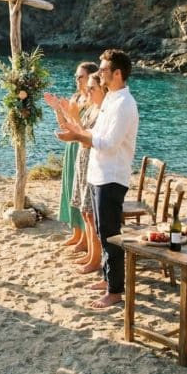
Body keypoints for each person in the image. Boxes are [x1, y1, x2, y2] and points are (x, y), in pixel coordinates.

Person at [56, 49, 139, 308]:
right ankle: (107, 278)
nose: (99, 73)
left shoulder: (124, 104)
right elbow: (96, 133)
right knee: (103, 232)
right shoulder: (111, 100)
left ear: (117, 73)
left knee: (110, 234)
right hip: (98, 174)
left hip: (112, 177)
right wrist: (78, 130)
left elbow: (109, 143)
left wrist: (78, 137)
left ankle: (115, 290)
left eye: (103, 70)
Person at [45, 63, 93, 251]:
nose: (77, 79)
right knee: (70, 188)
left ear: (90, 78)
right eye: (76, 76)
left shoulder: (92, 100)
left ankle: (85, 238)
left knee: (82, 192)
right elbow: (65, 124)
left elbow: (82, 127)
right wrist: (58, 108)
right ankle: (76, 233)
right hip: (71, 148)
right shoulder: (75, 98)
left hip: (83, 146)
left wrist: (71, 116)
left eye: (80, 76)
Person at [70, 72, 107, 274]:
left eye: (93, 88)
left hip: (94, 164)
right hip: (85, 161)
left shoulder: (104, 111)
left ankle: (95, 259)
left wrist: (74, 118)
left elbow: (86, 135)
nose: (88, 91)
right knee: (86, 212)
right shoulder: (93, 109)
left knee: (91, 214)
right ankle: (91, 255)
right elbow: (80, 131)